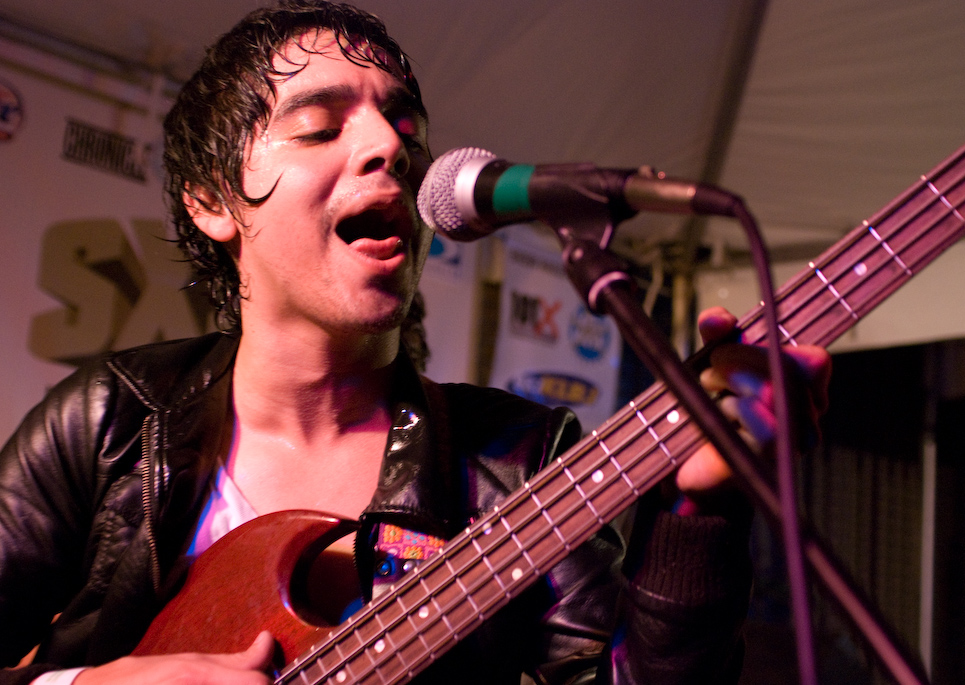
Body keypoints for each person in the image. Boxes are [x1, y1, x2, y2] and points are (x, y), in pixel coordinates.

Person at [0, 2, 830, 683]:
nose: (390, 148)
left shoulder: (521, 459)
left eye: (405, 125)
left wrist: (703, 515)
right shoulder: (111, 422)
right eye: (319, 127)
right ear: (214, 199)